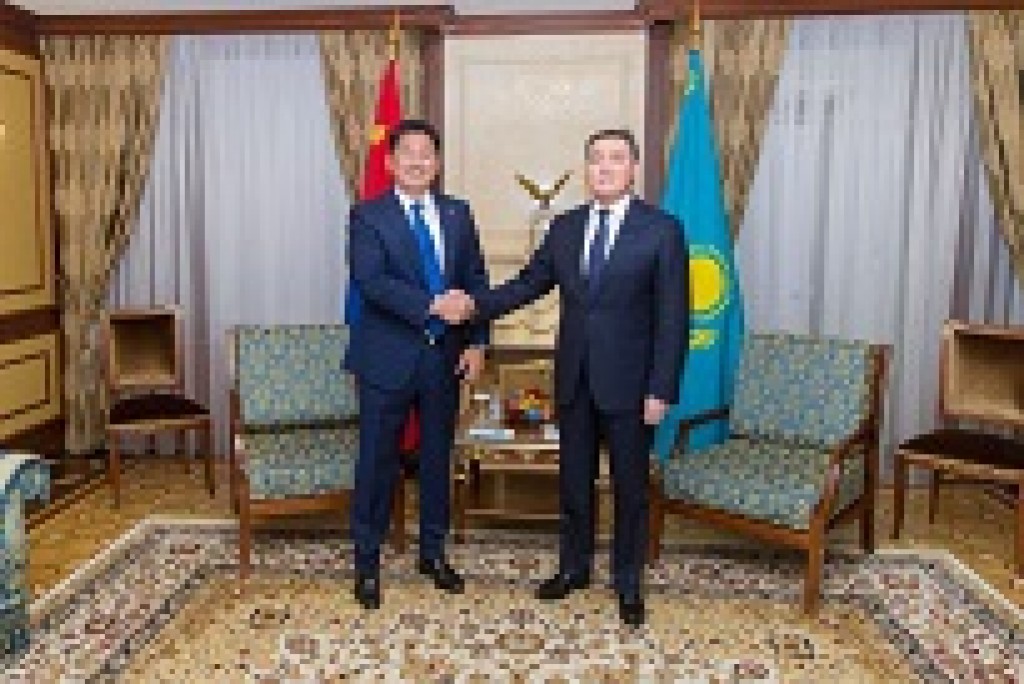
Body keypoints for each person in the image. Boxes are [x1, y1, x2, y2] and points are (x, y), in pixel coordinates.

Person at [437, 129, 688, 627]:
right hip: (574, 378)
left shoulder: (662, 230)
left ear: (634, 168)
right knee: (574, 482)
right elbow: (528, 284)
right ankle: (574, 567)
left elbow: (674, 318)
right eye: (597, 159)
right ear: (587, 169)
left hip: (632, 385)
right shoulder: (566, 228)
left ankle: (627, 581)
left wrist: (661, 388)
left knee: (630, 488)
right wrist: (472, 305)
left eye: (616, 158)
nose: (605, 167)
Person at [345, 119, 489, 610]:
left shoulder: (458, 213)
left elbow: (476, 280)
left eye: (426, 153)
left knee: (436, 460)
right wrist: (433, 305)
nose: (417, 161)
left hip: (444, 359)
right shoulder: (368, 215)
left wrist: (477, 342)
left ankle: (433, 553)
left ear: (437, 162)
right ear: (390, 162)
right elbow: (371, 282)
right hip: (386, 357)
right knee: (376, 462)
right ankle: (367, 563)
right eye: (407, 152)